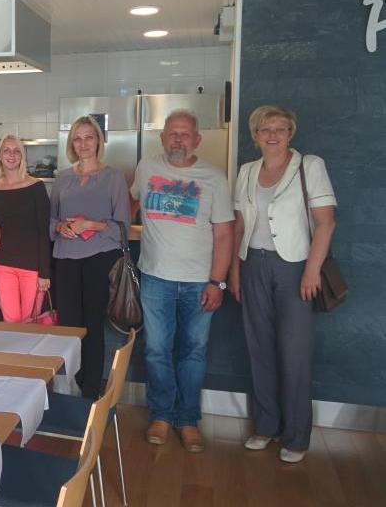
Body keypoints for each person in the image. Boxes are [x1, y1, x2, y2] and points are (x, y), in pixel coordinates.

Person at [229, 105, 336, 464]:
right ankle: (265, 426)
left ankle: (296, 436)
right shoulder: (247, 171)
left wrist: (312, 270)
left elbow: (326, 223)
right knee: (258, 349)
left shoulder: (310, 166)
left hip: (295, 268)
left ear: (291, 133)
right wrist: (234, 270)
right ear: (255, 136)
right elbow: (239, 226)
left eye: (280, 128)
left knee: (294, 354)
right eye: (265, 129)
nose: (272, 134)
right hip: (252, 264)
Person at [131, 109, 234, 452]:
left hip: (199, 282)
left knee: (193, 352)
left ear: (197, 140)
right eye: (172, 133)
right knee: (156, 350)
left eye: (185, 133)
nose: (178, 139)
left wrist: (217, 282)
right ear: (162, 138)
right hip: (155, 277)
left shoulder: (214, 177)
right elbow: (131, 200)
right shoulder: (146, 167)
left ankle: (188, 419)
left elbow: (224, 233)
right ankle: (161, 415)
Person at [50, 116, 130, 399]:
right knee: (69, 326)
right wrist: (60, 227)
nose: (83, 143)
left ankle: (90, 393)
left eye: (89, 137)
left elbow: (123, 227)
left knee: (92, 327)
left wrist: (91, 225)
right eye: (77, 138)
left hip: (100, 259)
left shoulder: (113, 177)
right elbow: (51, 222)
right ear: (72, 144)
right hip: (65, 259)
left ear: (98, 141)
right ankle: (70, 388)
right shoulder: (62, 178)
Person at [0, 135, 51, 323]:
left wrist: (44, 273)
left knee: (30, 323)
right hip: (3, 263)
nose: (12, 155)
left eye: (17, 151)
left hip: (32, 266)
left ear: (22, 156)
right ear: (0, 156)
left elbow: (44, 231)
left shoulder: (36, 187)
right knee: (10, 322)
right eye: (6, 150)